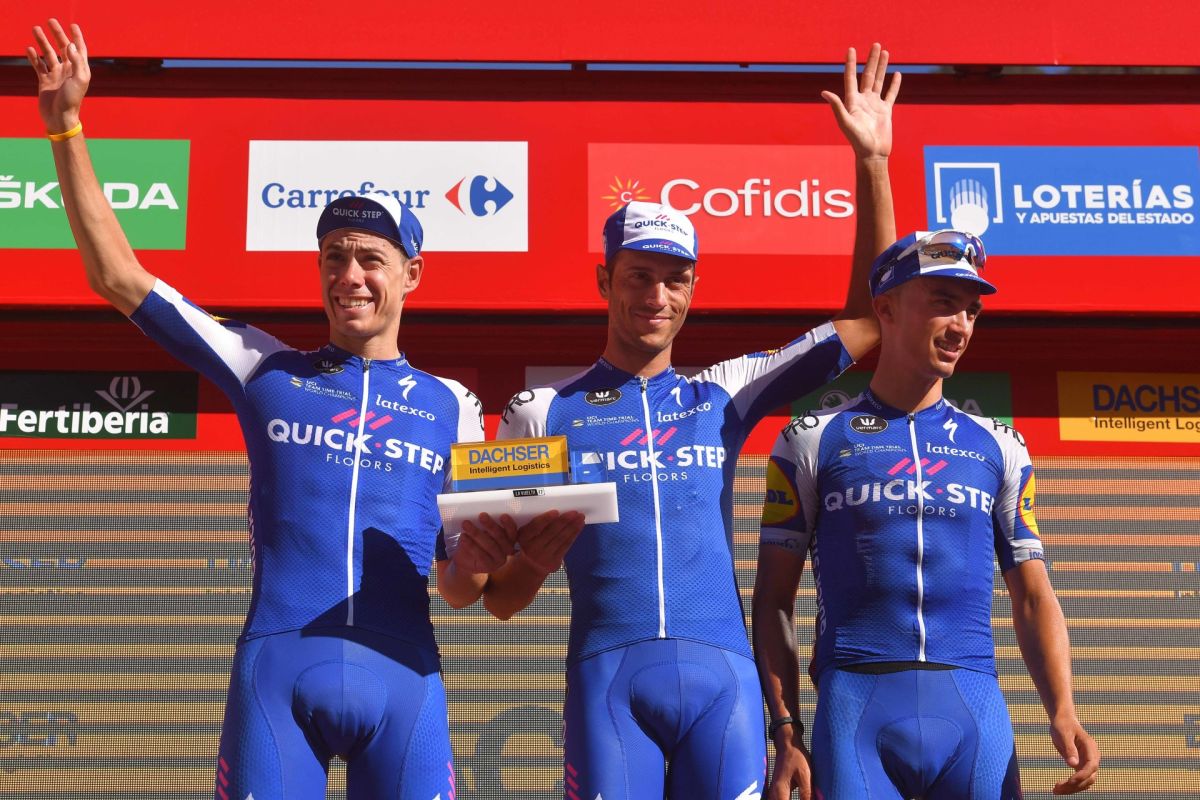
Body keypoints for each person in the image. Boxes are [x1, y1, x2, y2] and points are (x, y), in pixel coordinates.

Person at [27, 19, 488, 799]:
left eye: (370, 259)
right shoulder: (263, 365)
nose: (350, 276)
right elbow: (117, 277)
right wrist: (66, 125)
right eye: (334, 257)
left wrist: (489, 562)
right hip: (279, 670)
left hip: (404, 678)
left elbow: (463, 581)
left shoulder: (457, 406)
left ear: (411, 274)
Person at [449, 45, 901, 799]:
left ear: (693, 289)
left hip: (724, 686)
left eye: (675, 280)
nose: (656, 297)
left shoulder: (722, 393)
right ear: (605, 280)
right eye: (639, 277)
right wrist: (531, 562)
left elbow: (867, 322)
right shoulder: (542, 411)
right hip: (608, 683)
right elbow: (495, 596)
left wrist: (874, 162)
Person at [752, 230, 1101, 799]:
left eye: (972, 310)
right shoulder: (810, 439)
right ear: (886, 309)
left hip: (973, 707)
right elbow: (773, 601)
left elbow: (1034, 596)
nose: (961, 326)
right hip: (855, 706)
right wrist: (785, 730)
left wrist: (1063, 709)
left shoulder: (1000, 445)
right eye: (944, 303)